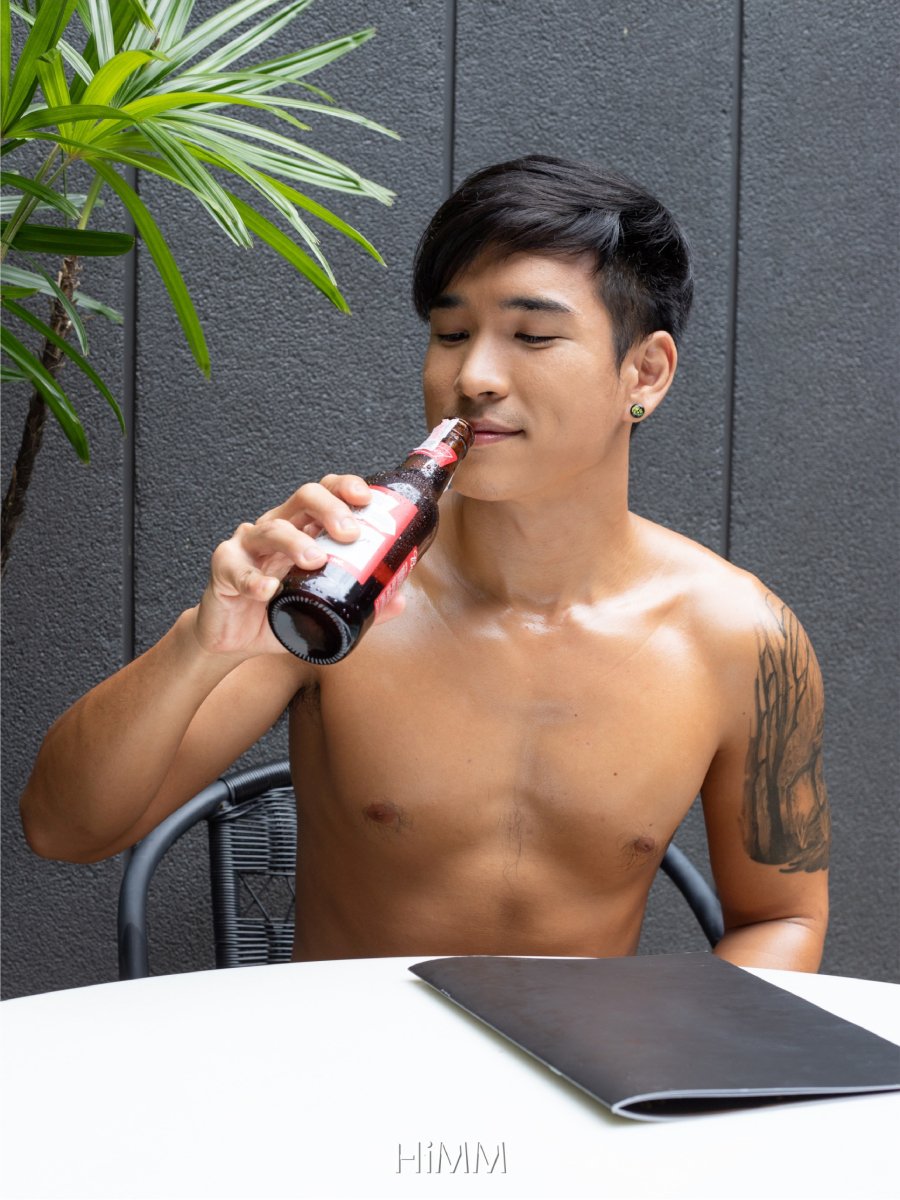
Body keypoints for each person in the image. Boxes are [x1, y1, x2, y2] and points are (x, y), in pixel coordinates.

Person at [21, 155, 830, 970]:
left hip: (588, 1056)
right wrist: (202, 644)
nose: (473, 376)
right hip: (347, 1051)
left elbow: (782, 917)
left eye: (533, 336)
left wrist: (674, 1043)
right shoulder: (337, 587)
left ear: (644, 372)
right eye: (451, 335)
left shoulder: (746, 637)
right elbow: (62, 829)